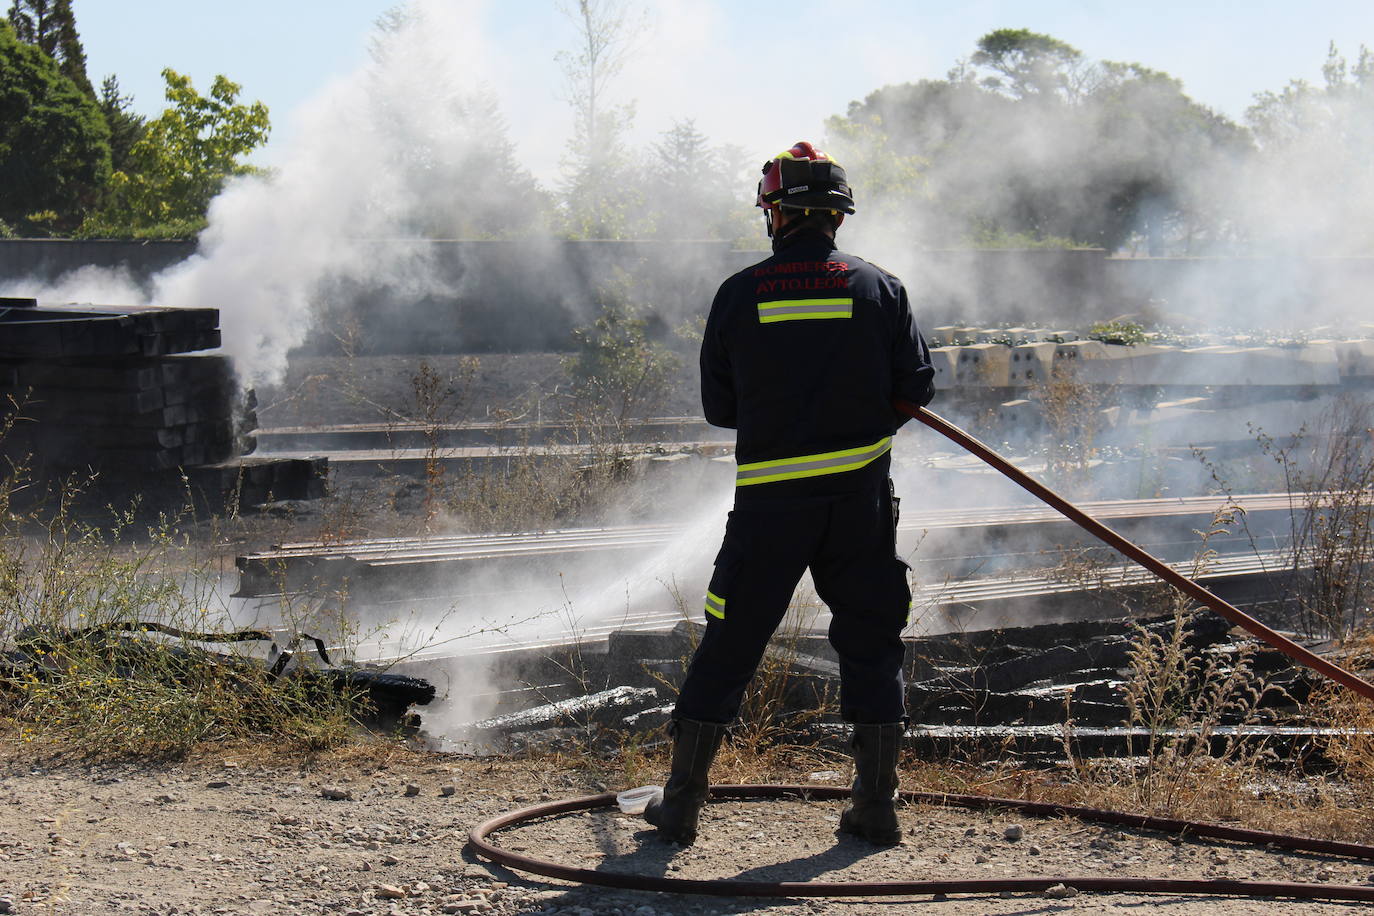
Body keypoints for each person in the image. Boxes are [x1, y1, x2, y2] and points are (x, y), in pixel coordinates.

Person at [644, 141, 937, 847]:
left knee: (730, 644)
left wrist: (785, 416)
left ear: (773, 213)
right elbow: (917, 388)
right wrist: (856, 426)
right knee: (872, 645)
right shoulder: (881, 288)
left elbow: (721, 408)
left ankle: (680, 807)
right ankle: (875, 809)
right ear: (838, 217)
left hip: (770, 511)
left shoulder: (740, 292)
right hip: (859, 508)